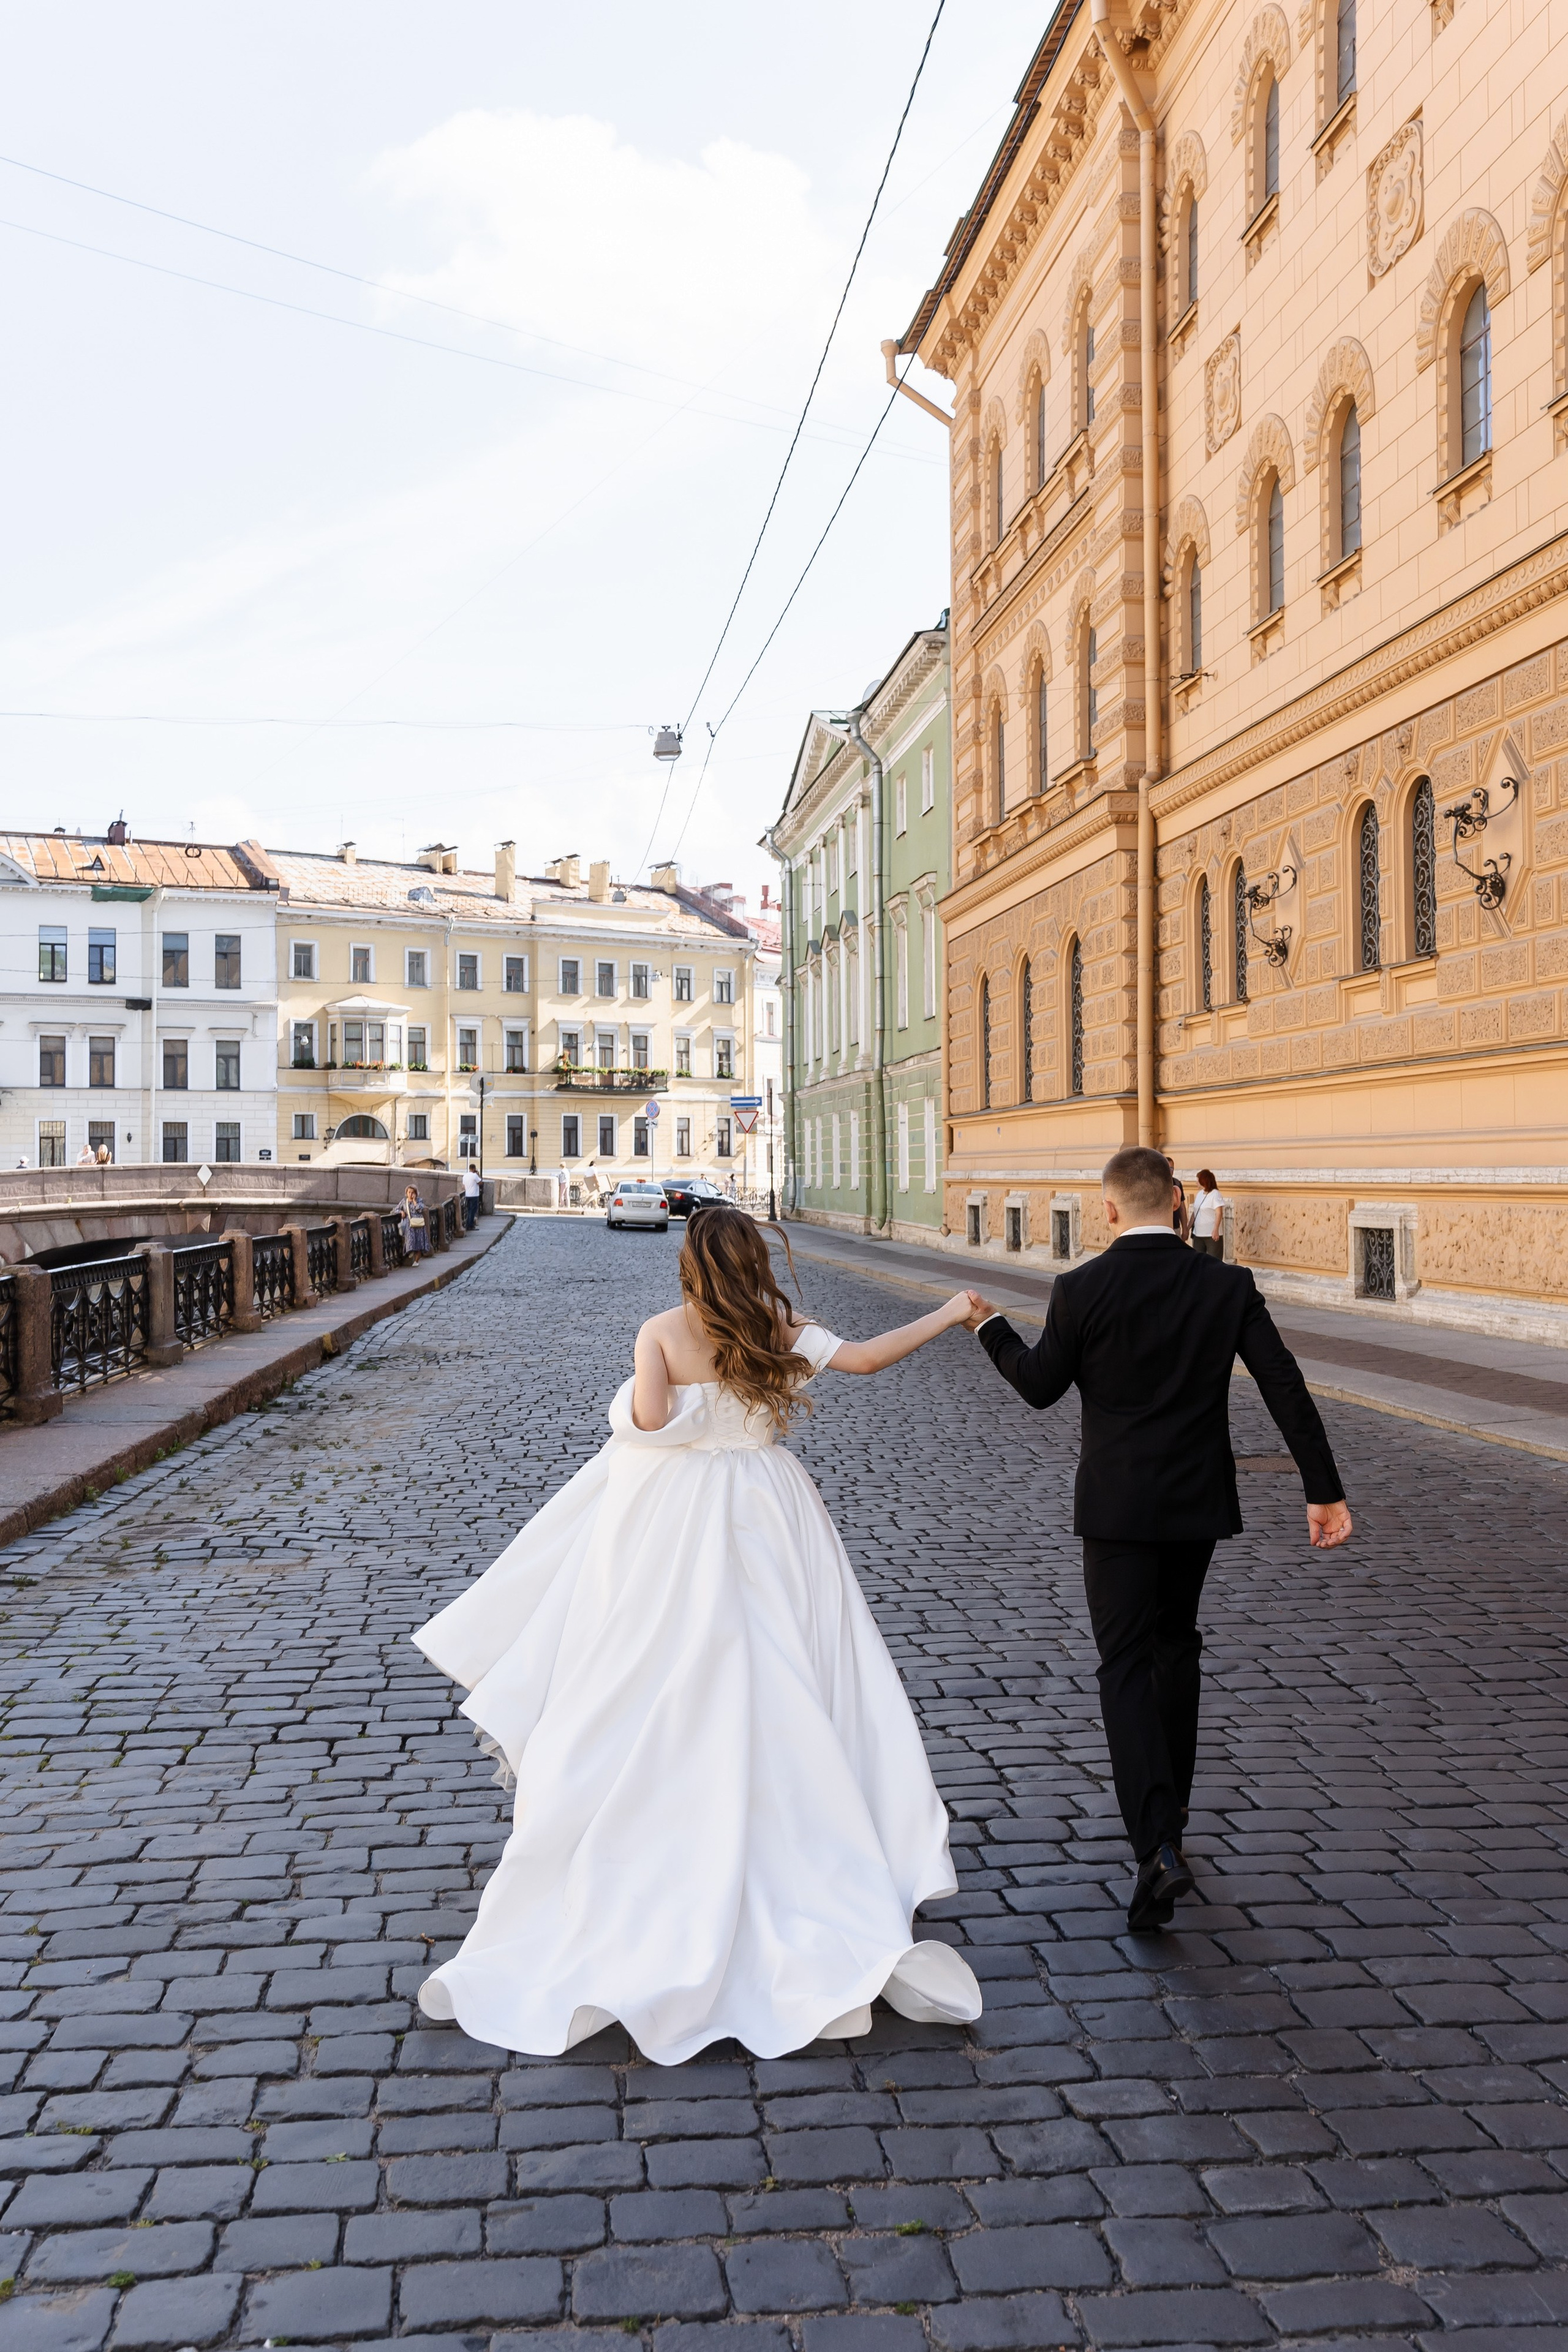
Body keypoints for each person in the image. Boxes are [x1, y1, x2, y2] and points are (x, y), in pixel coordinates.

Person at [412, 1204, 984, 2062]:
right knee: (790, 1669)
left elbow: (649, 1427)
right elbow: (866, 1359)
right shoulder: (776, 1326)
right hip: (771, 1509)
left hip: (675, 1524)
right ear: (753, 1260)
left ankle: (661, 1826)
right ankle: (803, 1829)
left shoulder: (661, 1332)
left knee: (657, 1671)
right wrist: (949, 1311)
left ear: (690, 1262)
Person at [965, 1145, 1351, 1934]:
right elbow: (1283, 1382)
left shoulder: (1081, 1288)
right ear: (1176, 1201)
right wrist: (1322, 1489)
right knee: (1176, 1648)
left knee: (1123, 1666)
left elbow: (1038, 1386)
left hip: (1116, 1509)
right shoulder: (1225, 1285)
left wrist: (991, 1327)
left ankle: (1157, 1845)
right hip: (1195, 1504)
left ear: (1108, 1209)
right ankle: (1171, 1816)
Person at [1189, 1169, 1226, 1259]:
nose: (1196, 1183)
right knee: (1198, 1260)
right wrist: (1188, 1228)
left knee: (1214, 1261)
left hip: (1211, 1235)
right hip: (1198, 1234)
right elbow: (1195, 1212)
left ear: (1204, 1181)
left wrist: (1216, 1229)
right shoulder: (1199, 1194)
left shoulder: (1215, 1194)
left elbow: (1219, 1213)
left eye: (1198, 1180)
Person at [399, 1183, 430, 1257]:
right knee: (410, 1240)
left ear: (416, 1194)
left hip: (419, 1223)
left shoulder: (420, 1201)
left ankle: (417, 1259)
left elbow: (420, 1209)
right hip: (409, 1223)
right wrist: (401, 1212)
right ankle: (410, 1252)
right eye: (409, 1192)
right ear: (406, 1193)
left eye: (412, 1193)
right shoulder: (404, 1201)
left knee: (419, 1242)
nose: (411, 1194)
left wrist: (414, 1201)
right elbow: (396, 1209)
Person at [462, 1161, 481, 1230]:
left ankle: (467, 1224)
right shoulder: (475, 1175)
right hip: (474, 1195)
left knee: (469, 1210)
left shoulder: (465, 1176)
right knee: (473, 1211)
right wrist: (478, 1174)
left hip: (467, 1195)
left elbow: (463, 1185)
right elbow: (480, 1183)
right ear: (474, 1169)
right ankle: (470, 1225)